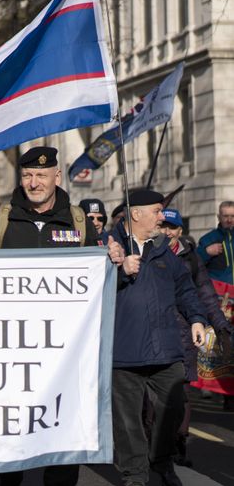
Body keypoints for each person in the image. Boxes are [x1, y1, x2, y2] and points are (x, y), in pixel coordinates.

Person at [0, 147, 122, 486]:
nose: (34, 182)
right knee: (12, 441)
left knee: (63, 434)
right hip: (11, 352)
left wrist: (111, 257)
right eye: (28, 175)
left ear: (56, 177)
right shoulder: (0, 218)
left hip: (64, 354)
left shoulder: (77, 220)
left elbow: (97, 272)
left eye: (41, 176)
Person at [110, 190, 207, 486]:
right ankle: (135, 474)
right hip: (123, 351)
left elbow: (186, 289)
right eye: (156, 210)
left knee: (172, 410)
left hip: (166, 349)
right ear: (135, 213)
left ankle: (163, 462)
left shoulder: (165, 250)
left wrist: (197, 319)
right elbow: (87, 288)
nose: (161, 217)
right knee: (128, 422)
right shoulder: (107, 246)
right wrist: (118, 272)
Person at [160, 207, 234, 458]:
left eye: (172, 228)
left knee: (181, 391)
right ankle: (156, 449)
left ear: (180, 230)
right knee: (153, 397)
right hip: (152, 335)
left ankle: (179, 442)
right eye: (163, 226)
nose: (167, 232)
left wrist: (221, 326)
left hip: (184, 334)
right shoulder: (144, 252)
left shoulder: (191, 258)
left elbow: (206, 294)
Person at [197, 201, 234, 284]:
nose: (229, 220)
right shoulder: (208, 239)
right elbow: (194, 262)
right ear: (219, 217)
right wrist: (206, 252)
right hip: (219, 292)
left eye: (232, 216)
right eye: (225, 216)